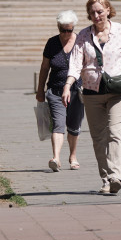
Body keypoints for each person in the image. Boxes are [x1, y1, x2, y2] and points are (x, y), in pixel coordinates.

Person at [62, 0, 121, 196]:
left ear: (108, 10)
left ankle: (116, 176)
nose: (96, 15)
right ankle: (106, 179)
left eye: (100, 11)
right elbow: (75, 65)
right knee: (98, 138)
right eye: (92, 12)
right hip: (92, 92)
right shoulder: (83, 36)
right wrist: (68, 86)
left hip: (118, 91)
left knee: (114, 132)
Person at [35, 10, 83, 171]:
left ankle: (73, 156)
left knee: (74, 126)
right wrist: (40, 90)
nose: (66, 33)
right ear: (58, 27)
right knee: (58, 124)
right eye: (62, 30)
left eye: (69, 30)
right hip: (55, 90)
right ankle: (56, 157)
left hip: (77, 91)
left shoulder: (80, 42)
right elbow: (44, 68)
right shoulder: (52, 43)